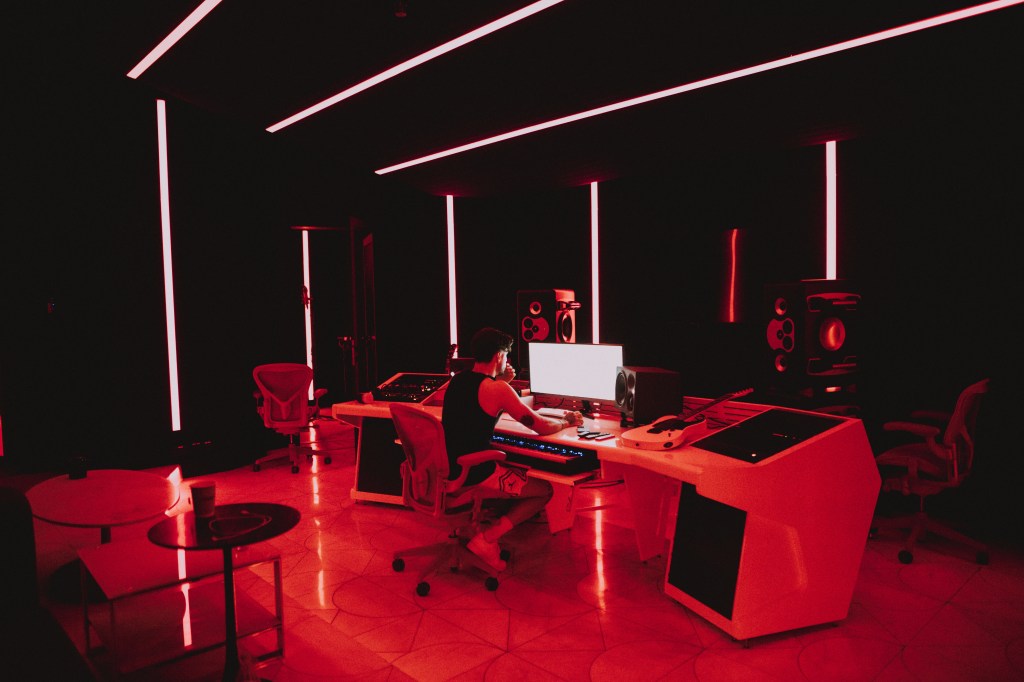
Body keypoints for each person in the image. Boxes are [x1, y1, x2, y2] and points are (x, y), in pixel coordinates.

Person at [442, 327, 585, 571]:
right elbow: (540, 427)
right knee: (544, 491)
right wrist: (567, 421)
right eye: (506, 355)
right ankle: (487, 539)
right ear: (499, 356)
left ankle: (482, 530)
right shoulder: (497, 389)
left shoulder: (457, 381)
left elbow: (478, 413)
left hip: (450, 467)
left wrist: (502, 382)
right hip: (476, 472)